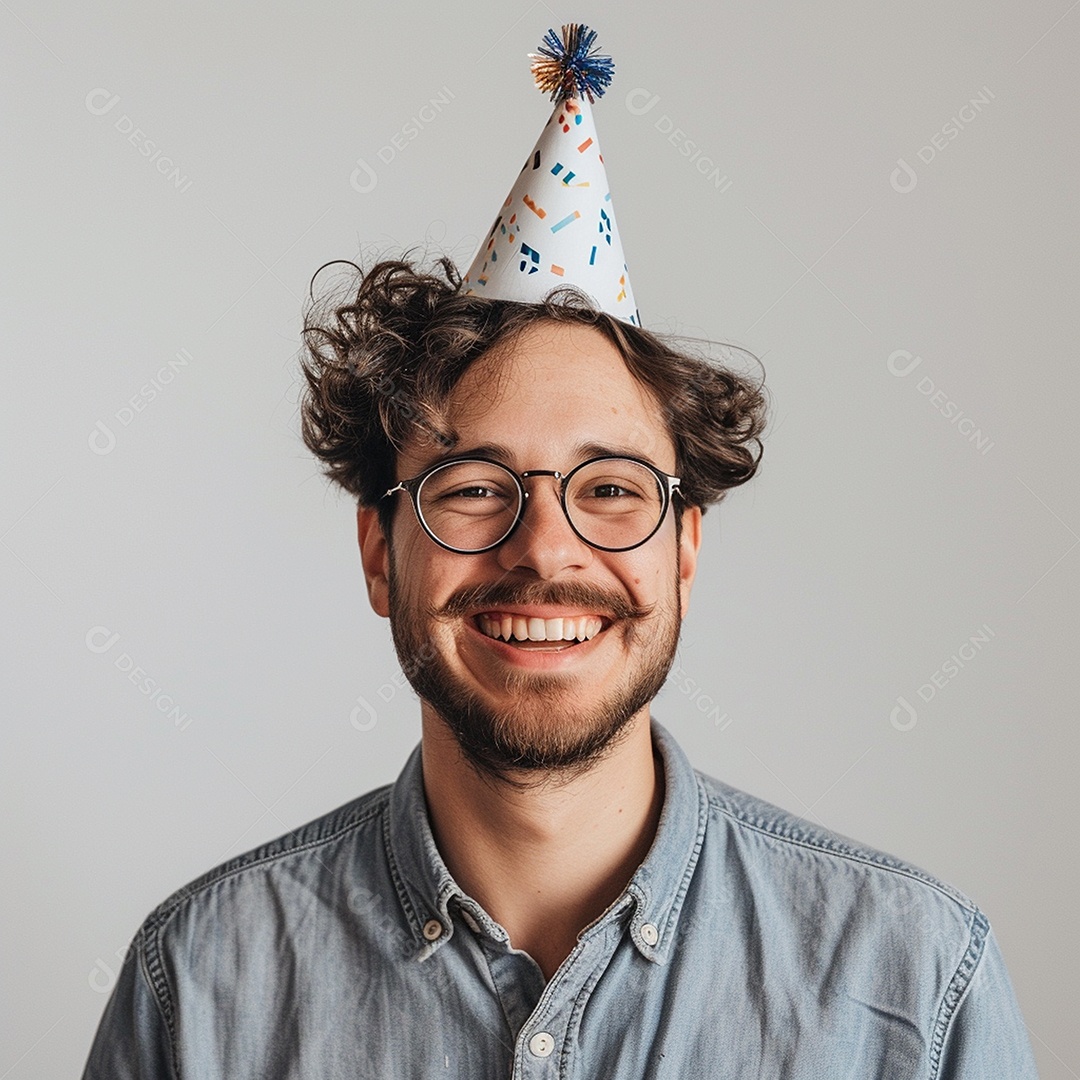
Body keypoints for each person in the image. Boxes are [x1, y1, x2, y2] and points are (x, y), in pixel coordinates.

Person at [82, 25, 1039, 1080]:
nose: (545, 548)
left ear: (684, 551)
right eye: (476, 488)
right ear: (377, 551)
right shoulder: (203, 986)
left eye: (613, 491)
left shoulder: (915, 982)